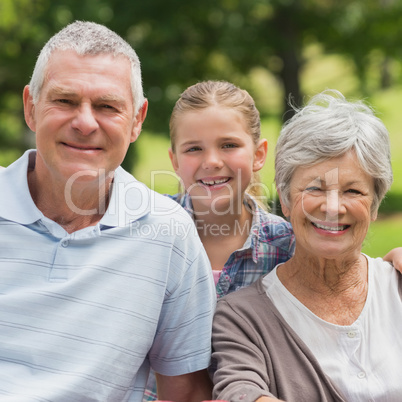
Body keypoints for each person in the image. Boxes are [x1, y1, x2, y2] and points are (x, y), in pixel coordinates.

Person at [0, 21, 216, 402]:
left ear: (137, 120)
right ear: (31, 108)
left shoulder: (168, 235)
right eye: (65, 101)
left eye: (106, 106)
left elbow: (185, 392)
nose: (84, 122)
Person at [211, 89, 402, 401]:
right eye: (315, 188)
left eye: (353, 191)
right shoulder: (241, 318)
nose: (332, 207)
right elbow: (239, 391)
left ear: (375, 205)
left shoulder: (397, 286)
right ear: (285, 201)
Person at [143, 80, 295, 401]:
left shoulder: (288, 247)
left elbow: (345, 277)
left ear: (259, 154)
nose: (211, 161)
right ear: (174, 161)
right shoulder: (146, 232)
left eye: (228, 145)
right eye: (194, 148)